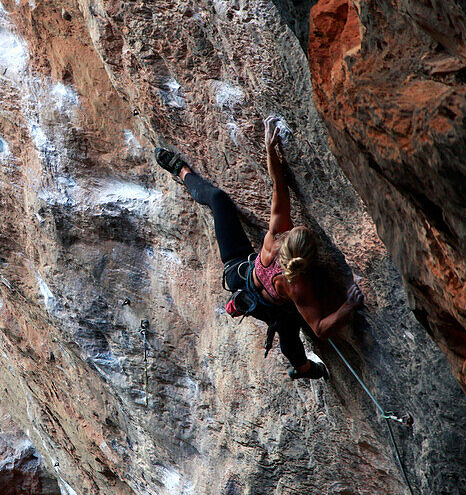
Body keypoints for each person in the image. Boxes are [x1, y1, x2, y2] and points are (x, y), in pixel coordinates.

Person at [155, 115, 364, 380]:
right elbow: (319, 328)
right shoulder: (297, 285)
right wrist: (349, 306)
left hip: (239, 274)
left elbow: (279, 188)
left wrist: (269, 149)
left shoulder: (275, 239)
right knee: (288, 327)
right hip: (255, 290)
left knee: (218, 200)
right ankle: (303, 368)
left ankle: (182, 171)